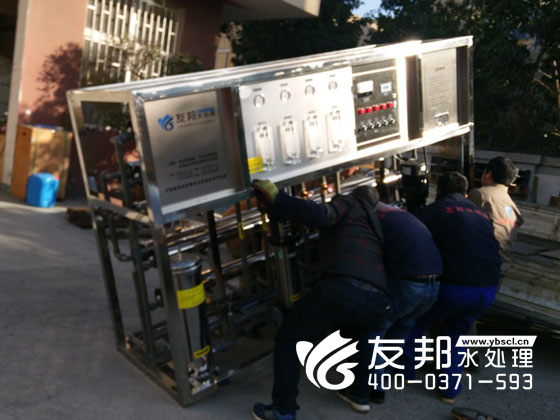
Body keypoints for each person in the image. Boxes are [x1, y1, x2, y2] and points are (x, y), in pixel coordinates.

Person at [250, 179, 393, 420]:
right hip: (378, 298)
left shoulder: (350, 203)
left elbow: (320, 214)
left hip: (343, 286)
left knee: (289, 338)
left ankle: (283, 410)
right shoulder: (375, 224)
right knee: (360, 338)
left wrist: (279, 200)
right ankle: (360, 396)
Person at [401, 172, 501, 403]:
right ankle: (449, 390)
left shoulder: (432, 212)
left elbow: (415, 248)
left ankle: (405, 371)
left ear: (438, 191)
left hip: (456, 288)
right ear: (466, 193)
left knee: (415, 316)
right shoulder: (482, 215)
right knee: (456, 335)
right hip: (487, 289)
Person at [359, 200, 443, 404]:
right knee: (401, 328)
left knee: (374, 329)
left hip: (409, 285)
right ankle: (384, 373)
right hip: (433, 286)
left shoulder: (375, 220)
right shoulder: (401, 215)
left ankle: (376, 386)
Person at [468, 156, 523, 273]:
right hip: (502, 267)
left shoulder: (480, 195)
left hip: (479, 266)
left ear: (488, 174)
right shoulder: (511, 205)